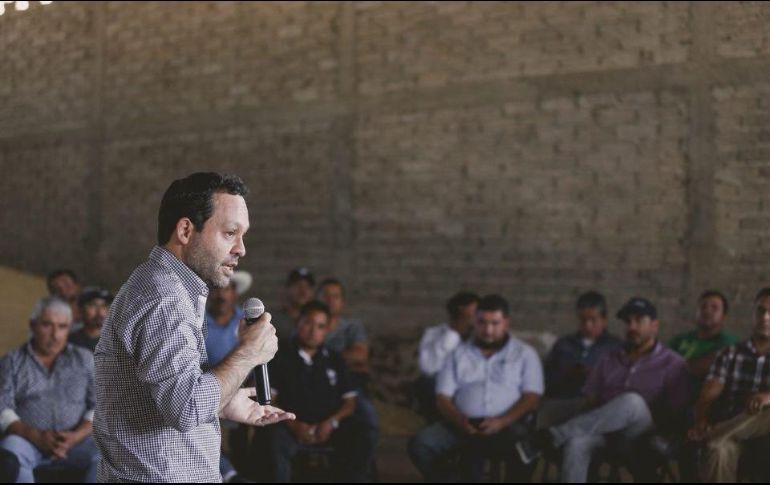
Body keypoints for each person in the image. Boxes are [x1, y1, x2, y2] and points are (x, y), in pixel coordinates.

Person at [93, 172, 294, 482]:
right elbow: (185, 407)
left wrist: (224, 403)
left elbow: (166, 398)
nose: (241, 249)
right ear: (186, 230)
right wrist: (249, 352)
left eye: (243, 235)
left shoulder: (168, 288)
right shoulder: (164, 299)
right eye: (230, 233)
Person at [519, 297, 689, 483]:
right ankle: (556, 438)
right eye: (628, 321)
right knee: (576, 443)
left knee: (632, 401)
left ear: (654, 325)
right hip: (606, 428)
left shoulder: (673, 363)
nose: (632, 326)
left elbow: (677, 410)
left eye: (639, 321)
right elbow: (590, 399)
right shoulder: (609, 359)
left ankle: (551, 436)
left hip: (644, 431)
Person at [408, 295, 544, 482]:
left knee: (524, 449)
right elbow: (442, 397)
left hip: (507, 425)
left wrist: (501, 422)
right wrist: (459, 420)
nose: (488, 330)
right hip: (463, 425)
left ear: (506, 323)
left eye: (495, 323)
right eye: (482, 323)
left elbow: (532, 397)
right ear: (475, 322)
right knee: (421, 444)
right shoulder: (457, 354)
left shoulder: (525, 354)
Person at [267, 301, 372, 482]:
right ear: (298, 322)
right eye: (308, 323)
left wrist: (331, 423)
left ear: (327, 330)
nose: (313, 331)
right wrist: (294, 425)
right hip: (290, 425)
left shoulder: (335, 359)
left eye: (320, 326)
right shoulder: (279, 357)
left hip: (328, 426)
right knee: (272, 441)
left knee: (360, 436)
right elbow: (270, 400)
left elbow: (350, 403)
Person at [0, 297, 100, 483]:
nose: (55, 334)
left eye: (62, 326)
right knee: (9, 452)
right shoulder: (11, 362)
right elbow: (3, 408)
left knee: (108, 450)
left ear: (69, 328)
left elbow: (98, 404)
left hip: (76, 442)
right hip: (27, 441)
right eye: (47, 325)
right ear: (33, 325)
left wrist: (75, 436)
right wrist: (35, 436)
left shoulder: (85, 359)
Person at [688, 287, 770, 482]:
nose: (766, 317)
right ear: (752, 313)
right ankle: (716, 437)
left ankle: (716, 435)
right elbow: (707, 395)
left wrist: (768, 397)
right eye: (761, 310)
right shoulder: (730, 353)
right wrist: (701, 423)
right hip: (734, 425)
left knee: (765, 408)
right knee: (718, 449)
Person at [544, 291, 623, 400]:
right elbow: (547, 379)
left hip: (599, 404)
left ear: (604, 320)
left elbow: (621, 380)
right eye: (583, 320)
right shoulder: (563, 344)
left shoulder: (615, 347)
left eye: (593, 320)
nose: (587, 325)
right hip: (564, 402)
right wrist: (568, 375)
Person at [415, 291, 479, 420]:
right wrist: (454, 334)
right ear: (458, 318)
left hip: (476, 389)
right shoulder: (433, 335)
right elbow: (428, 369)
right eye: (473, 316)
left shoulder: (486, 336)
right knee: (426, 383)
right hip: (446, 390)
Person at [669, 290, 738, 397]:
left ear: (724, 317)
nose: (707, 311)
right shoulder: (680, 340)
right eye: (703, 307)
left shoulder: (729, 342)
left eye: (714, 308)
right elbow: (663, 368)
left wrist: (679, 367)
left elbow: (699, 368)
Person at [270, 268, 315, 342]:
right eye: (297, 285)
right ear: (287, 288)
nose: (303, 290)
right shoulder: (273, 320)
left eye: (307, 286)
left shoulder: (317, 321)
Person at [68, 287, 113, 353]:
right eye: (93, 305)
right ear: (80, 309)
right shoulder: (70, 342)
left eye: (104, 306)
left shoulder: (118, 340)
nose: (100, 312)